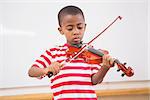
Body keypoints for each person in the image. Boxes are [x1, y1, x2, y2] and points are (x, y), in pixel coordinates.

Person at [28, 5, 115, 100]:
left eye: (80, 27)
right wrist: (46, 70)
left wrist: (105, 67)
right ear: (61, 30)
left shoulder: (91, 53)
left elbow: (95, 80)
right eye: (70, 28)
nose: (76, 32)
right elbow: (32, 71)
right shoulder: (53, 53)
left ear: (84, 27)